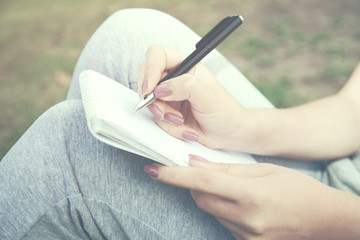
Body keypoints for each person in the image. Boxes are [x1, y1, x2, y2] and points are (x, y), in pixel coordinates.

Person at [0, 8, 359, 240]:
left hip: (332, 222)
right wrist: (243, 125)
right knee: (127, 32)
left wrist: (333, 221)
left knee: (67, 146)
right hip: (341, 179)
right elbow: (352, 110)